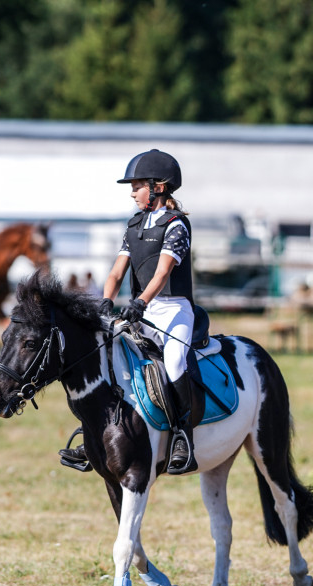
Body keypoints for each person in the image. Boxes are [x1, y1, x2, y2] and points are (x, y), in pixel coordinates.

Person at [59, 149, 197, 475]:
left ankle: (182, 435)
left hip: (172, 309)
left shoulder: (177, 225)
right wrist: (106, 302)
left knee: (175, 360)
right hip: (140, 311)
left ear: (159, 186)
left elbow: (162, 273)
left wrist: (139, 303)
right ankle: (92, 433)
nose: (132, 192)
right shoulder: (134, 224)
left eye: (138, 186)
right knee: (105, 356)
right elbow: (116, 272)